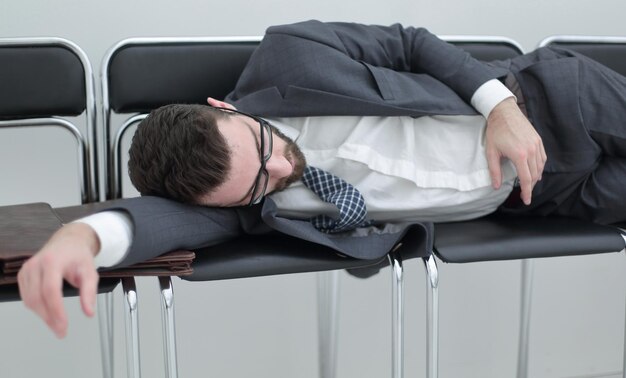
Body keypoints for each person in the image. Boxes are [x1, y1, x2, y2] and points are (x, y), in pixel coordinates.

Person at [18, 20, 626, 337]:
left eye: (263, 148)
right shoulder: (239, 200)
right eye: (259, 185)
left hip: (550, 104)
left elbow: (411, 44)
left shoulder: (292, 55)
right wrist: (84, 238)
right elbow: (160, 220)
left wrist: (500, 109)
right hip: (536, 196)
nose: (280, 171)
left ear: (224, 107)